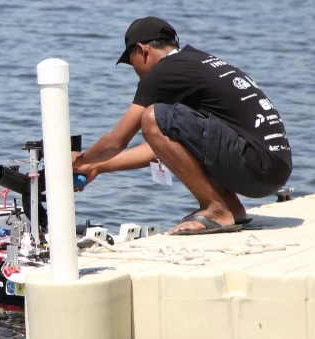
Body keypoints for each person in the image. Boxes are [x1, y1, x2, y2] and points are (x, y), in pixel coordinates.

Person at [72, 16, 292, 235]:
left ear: (142, 49)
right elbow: (164, 148)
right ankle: (232, 208)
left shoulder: (163, 71)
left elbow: (116, 141)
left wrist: (81, 160)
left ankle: (216, 210)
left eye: (131, 61)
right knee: (161, 121)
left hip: (255, 166)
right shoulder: (197, 62)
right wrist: (96, 166)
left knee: (152, 116)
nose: (135, 70)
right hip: (273, 170)